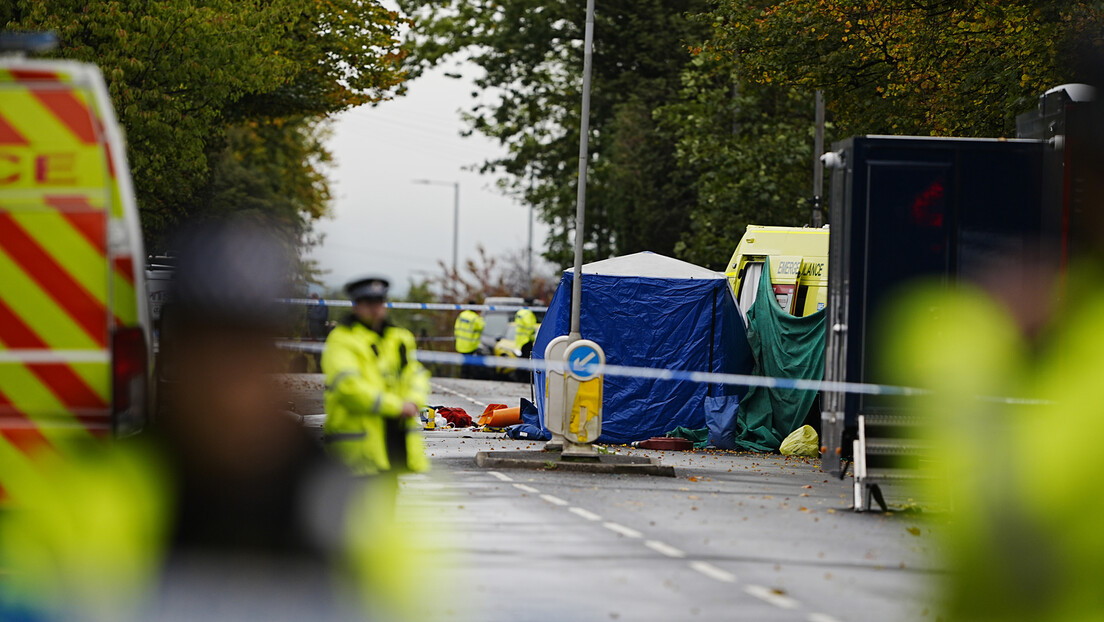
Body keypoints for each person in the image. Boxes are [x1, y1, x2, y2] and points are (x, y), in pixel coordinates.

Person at [321, 276, 430, 480]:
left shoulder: (399, 337)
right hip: (356, 455)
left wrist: (414, 401)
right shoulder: (342, 339)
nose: (375, 309)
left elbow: (416, 374)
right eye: (368, 303)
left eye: (379, 303)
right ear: (356, 306)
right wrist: (397, 406)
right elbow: (348, 388)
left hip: (394, 447)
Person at [453, 301, 485, 378]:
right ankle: (467, 377)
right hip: (470, 344)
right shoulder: (475, 317)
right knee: (469, 362)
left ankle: (463, 375)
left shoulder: (462, 315)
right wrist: (480, 317)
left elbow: (456, 327)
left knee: (464, 362)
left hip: (460, 343)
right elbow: (481, 326)